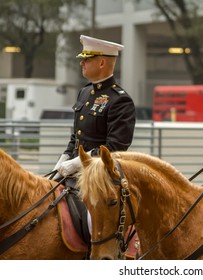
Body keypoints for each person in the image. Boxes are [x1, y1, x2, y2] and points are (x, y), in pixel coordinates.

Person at [52, 35, 136, 242]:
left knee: (94, 227)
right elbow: (76, 136)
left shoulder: (120, 100)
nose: (82, 62)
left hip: (99, 176)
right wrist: (64, 157)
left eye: (87, 59)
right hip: (73, 171)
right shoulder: (84, 92)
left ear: (101, 62)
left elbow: (116, 147)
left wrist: (80, 162)